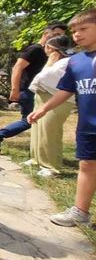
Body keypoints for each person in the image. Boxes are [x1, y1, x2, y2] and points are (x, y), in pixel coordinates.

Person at [28, 9, 96, 227]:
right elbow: (65, 90)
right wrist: (43, 109)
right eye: (74, 30)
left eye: (83, 29)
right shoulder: (75, 62)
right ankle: (80, 212)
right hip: (87, 124)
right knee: (86, 165)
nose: (76, 34)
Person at [0, 22, 67, 153]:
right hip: (29, 91)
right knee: (29, 120)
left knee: (36, 121)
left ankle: (36, 152)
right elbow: (17, 67)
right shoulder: (35, 49)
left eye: (61, 36)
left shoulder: (53, 53)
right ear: (46, 34)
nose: (59, 39)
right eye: (56, 35)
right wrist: (14, 89)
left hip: (40, 91)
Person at [26, 35, 75, 177]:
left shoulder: (66, 62)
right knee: (38, 128)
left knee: (49, 130)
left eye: (47, 47)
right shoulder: (55, 62)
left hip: (57, 99)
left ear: (53, 49)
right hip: (43, 96)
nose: (45, 50)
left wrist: (48, 64)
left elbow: (42, 77)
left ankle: (52, 166)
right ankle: (36, 159)